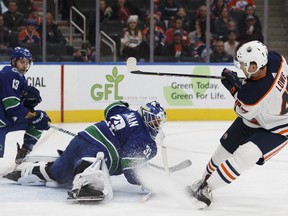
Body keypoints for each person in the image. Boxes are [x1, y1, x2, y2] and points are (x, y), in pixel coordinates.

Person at [186, 40, 288, 208]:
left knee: (245, 156)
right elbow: (261, 88)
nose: (241, 68)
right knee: (223, 150)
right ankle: (202, 181)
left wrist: (233, 88)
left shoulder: (252, 95)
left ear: (255, 65)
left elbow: (243, 108)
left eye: (244, 65)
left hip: (279, 127)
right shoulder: (276, 59)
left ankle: (208, 188)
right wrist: (240, 84)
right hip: (259, 114)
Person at [5, 101, 166, 202]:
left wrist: (125, 105)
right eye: (154, 119)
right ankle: (87, 185)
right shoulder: (143, 136)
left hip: (82, 137)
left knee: (58, 172)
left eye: (158, 121)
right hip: (98, 150)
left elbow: (111, 108)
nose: (156, 124)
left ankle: (26, 172)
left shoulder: (128, 113)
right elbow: (129, 170)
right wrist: (147, 181)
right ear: (145, 115)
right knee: (93, 165)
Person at [0, 47, 51, 164]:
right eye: (22, 62)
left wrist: (30, 107)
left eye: (27, 62)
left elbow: (16, 106)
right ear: (13, 61)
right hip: (2, 120)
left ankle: (23, 153)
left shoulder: (19, 77)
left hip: (6, 120)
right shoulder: (10, 74)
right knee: (38, 119)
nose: (25, 65)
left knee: (38, 122)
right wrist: (32, 115)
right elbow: (12, 107)